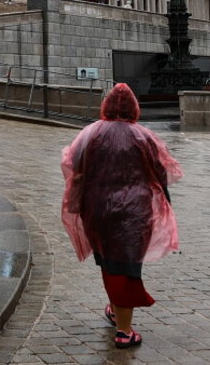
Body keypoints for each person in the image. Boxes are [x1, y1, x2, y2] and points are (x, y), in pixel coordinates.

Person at [61, 83, 182, 349]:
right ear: (134, 108)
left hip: (97, 210)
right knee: (126, 268)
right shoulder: (144, 136)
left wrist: (79, 201)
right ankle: (124, 332)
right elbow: (161, 173)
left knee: (108, 264)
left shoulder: (90, 133)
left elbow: (73, 165)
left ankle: (117, 311)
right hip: (133, 214)